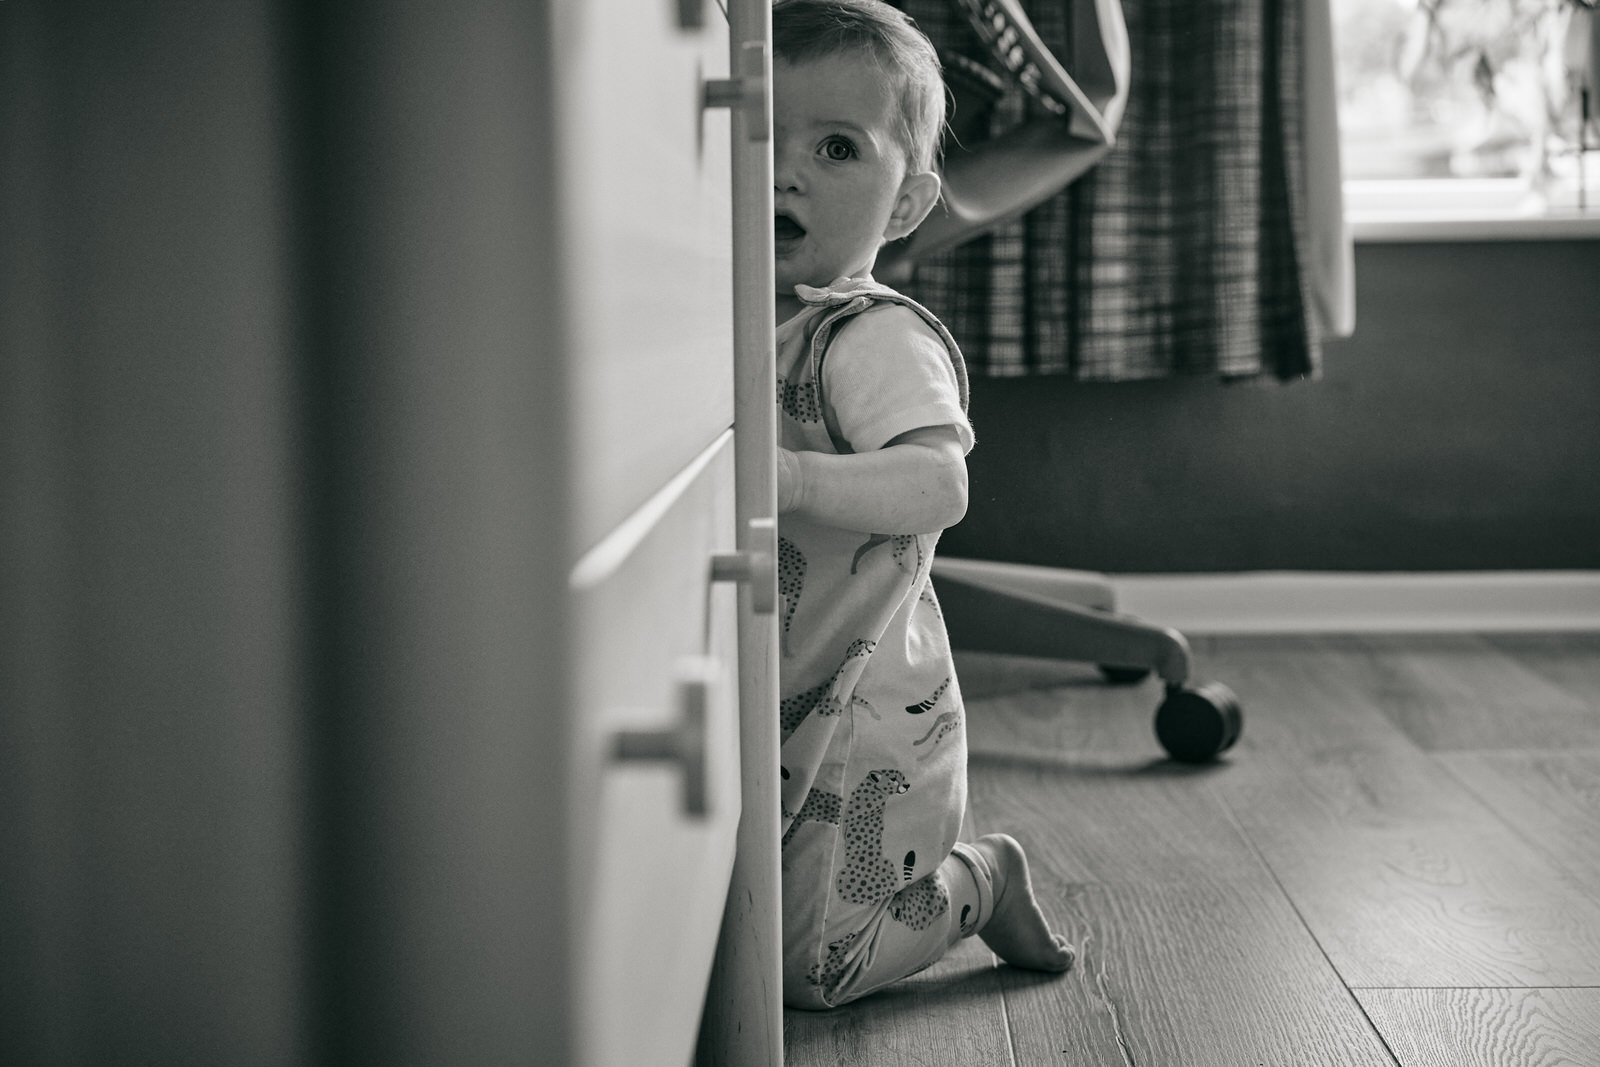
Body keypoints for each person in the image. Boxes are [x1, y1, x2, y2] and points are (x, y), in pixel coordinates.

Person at [771, 0, 1076, 1010]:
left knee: (817, 966)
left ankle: (982, 880)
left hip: (858, 710)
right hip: (768, 687)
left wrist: (801, 480)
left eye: (837, 147)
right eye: (759, 133)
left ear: (904, 206)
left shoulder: (866, 339)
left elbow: (938, 482)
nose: (786, 171)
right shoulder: (717, 315)